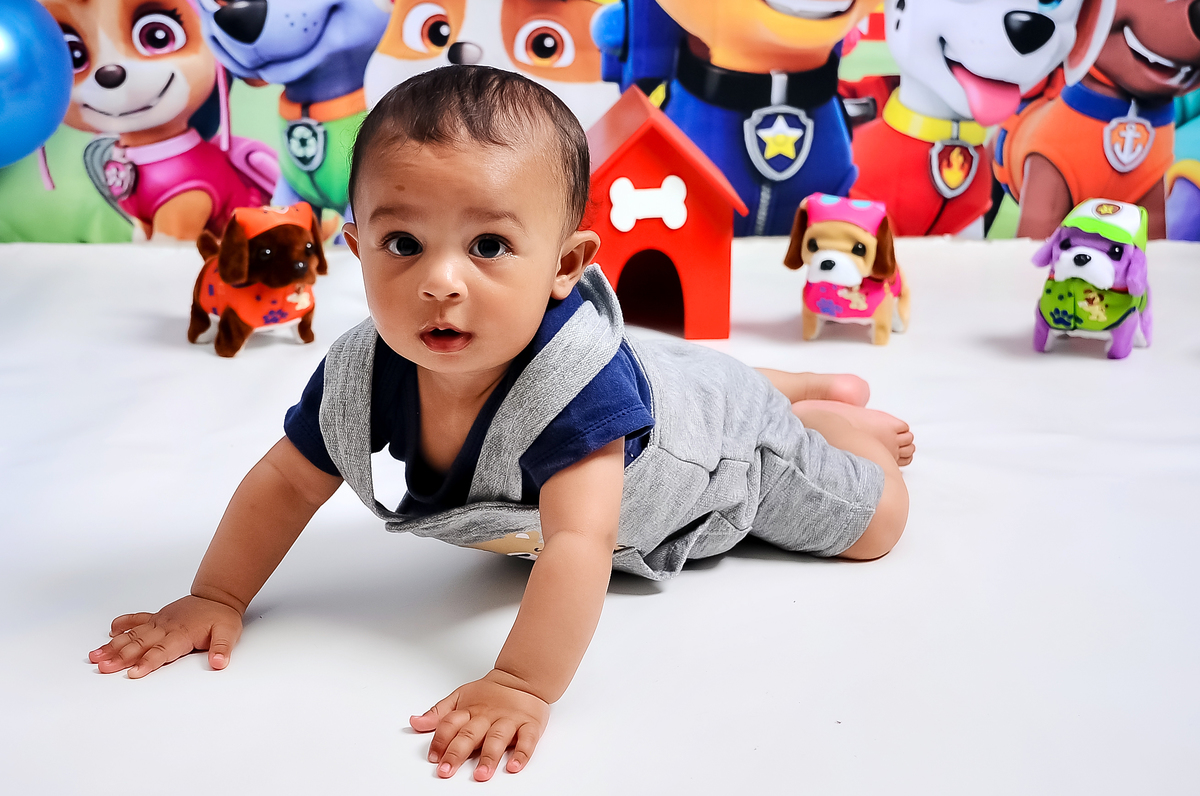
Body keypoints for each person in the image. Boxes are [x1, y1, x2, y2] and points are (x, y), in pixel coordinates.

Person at [89, 65, 915, 782]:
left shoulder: (575, 388)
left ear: (564, 266)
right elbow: (286, 481)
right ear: (356, 245)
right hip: (663, 379)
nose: (440, 282)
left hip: (721, 456)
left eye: (487, 246)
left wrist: (521, 683)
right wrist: (217, 594)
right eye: (403, 242)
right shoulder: (364, 369)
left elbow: (580, 541)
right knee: (679, 372)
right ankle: (797, 385)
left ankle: (833, 426)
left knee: (873, 524)